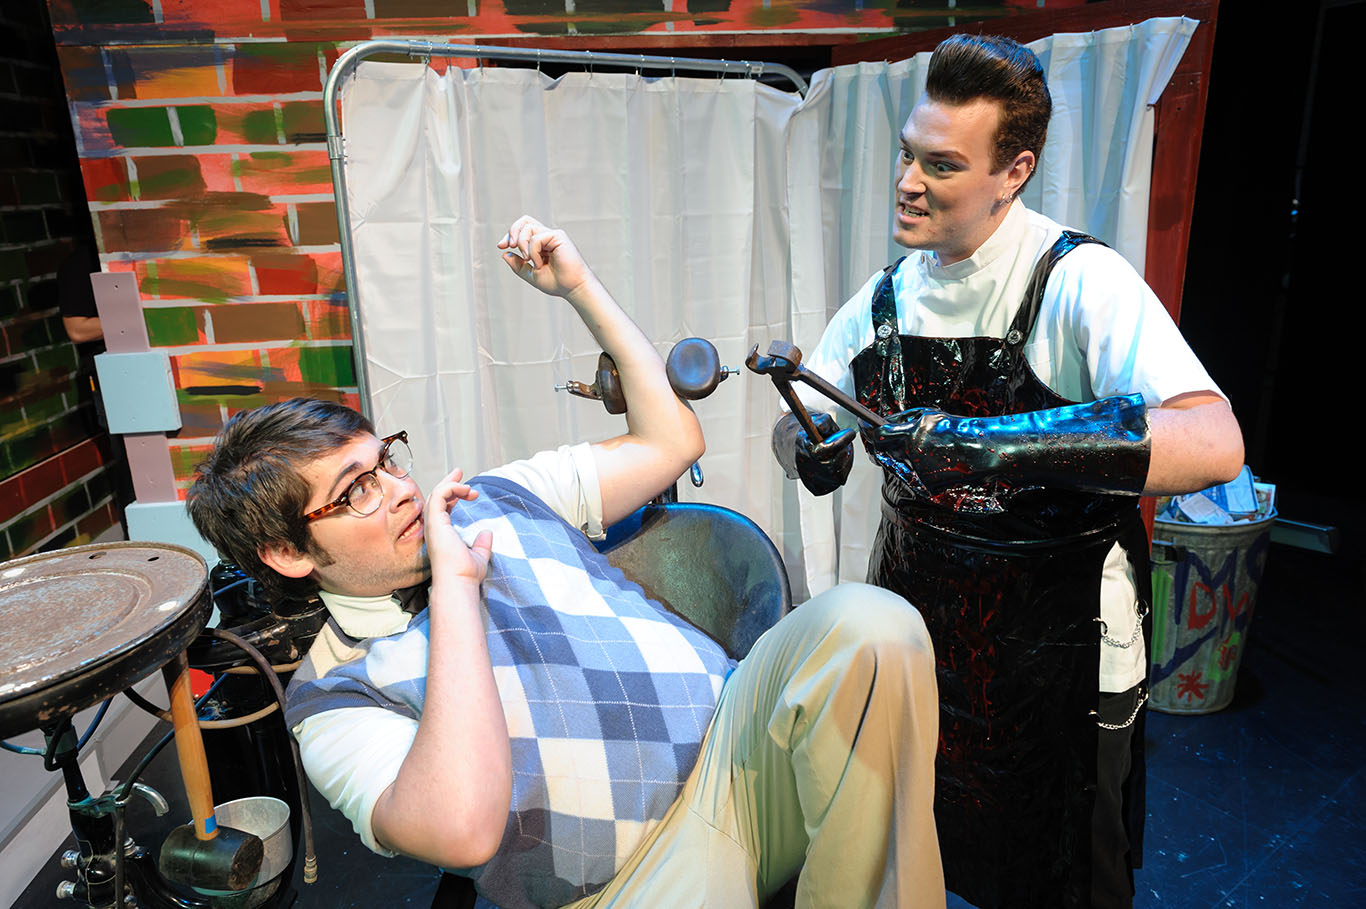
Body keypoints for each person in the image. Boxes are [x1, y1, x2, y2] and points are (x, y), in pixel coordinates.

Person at [187, 216, 944, 908]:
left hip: (740, 747)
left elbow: (671, 443)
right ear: (287, 552)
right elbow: (462, 830)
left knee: (873, 625)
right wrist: (455, 590)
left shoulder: (495, 496)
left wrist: (578, 287)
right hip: (636, 881)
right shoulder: (333, 699)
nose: (398, 490)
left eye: (384, 460)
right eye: (356, 491)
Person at [770, 35, 1243, 909]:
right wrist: (804, 444)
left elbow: (1215, 440)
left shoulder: (1079, 281)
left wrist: (993, 444)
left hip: (1060, 649)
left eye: (942, 165)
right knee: (909, 853)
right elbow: (808, 411)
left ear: (1013, 171)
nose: (908, 182)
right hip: (916, 633)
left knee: (1062, 871)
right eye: (907, 155)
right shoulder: (885, 299)